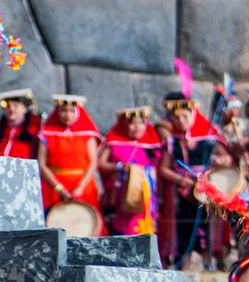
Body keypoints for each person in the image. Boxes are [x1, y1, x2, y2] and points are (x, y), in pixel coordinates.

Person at [159, 92, 234, 269]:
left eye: (185, 116)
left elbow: (228, 159)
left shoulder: (209, 136)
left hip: (206, 191)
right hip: (182, 193)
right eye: (176, 118)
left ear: (193, 113)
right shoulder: (172, 141)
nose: (181, 121)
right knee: (183, 230)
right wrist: (179, 178)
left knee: (207, 229)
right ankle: (182, 269)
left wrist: (221, 161)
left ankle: (209, 266)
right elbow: (163, 168)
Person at [99, 106, 167, 236]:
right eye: (132, 123)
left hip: (145, 197)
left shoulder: (152, 147)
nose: (137, 127)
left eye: (141, 123)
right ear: (125, 125)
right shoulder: (114, 143)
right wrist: (119, 166)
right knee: (121, 230)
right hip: (120, 196)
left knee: (142, 231)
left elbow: (158, 171)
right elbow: (100, 163)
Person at [38, 95, 102, 228]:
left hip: (83, 186)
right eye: (63, 110)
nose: (67, 115)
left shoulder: (87, 135)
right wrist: (59, 188)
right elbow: (42, 164)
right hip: (54, 187)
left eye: (71, 111)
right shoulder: (47, 134)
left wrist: (80, 188)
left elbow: (93, 163)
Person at [0, 89, 40, 159]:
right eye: (8, 106)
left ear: (25, 108)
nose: (11, 109)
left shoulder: (34, 128)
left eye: (15, 106)